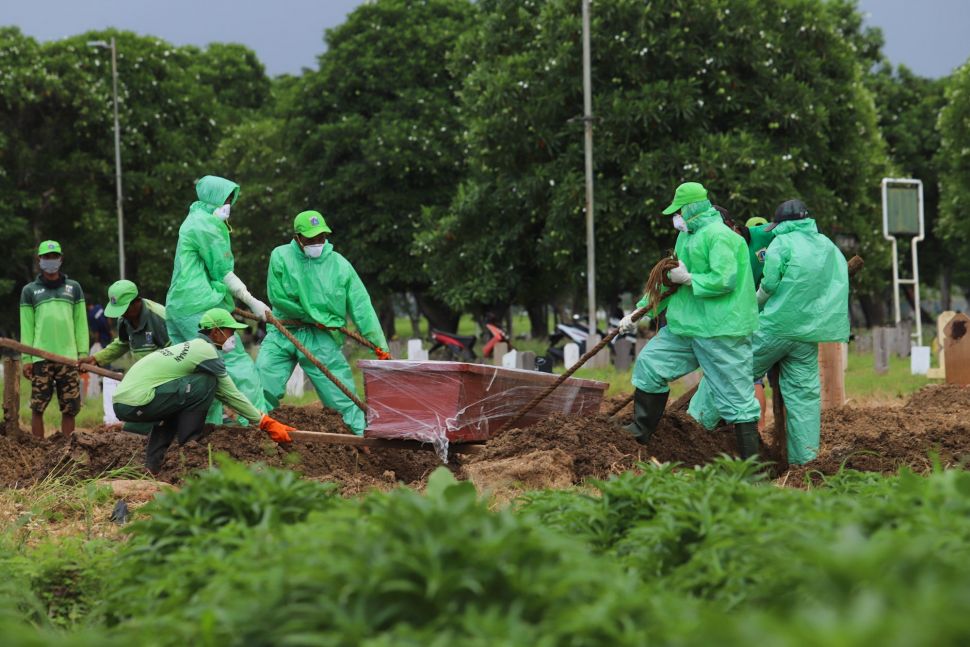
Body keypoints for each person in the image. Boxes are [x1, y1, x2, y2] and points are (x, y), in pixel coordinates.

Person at [618, 182, 762, 458]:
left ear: (693, 208)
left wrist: (689, 278)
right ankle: (639, 434)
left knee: (738, 400)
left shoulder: (721, 236)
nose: (677, 218)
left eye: (680, 211)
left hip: (722, 330)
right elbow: (669, 281)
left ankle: (751, 468)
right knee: (651, 364)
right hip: (686, 326)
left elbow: (725, 280)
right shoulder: (685, 237)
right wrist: (638, 313)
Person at [113, 308, 295, 473]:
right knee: (206, 382)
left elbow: (224, 394)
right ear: (216, 332)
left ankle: (152, 466)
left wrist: (263, 420)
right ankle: (190, 448)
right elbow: (231, 394)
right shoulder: (206, 351)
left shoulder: (194, 348)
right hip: (138, 400)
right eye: (231, 332)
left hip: (127, 402)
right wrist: (265, 422)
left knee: (174, 409)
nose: (234, 337)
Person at [256, 211, 388, 436]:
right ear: (298, 237)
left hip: (320, 338)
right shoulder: (280, 256)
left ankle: (362, 440)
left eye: (321, 238)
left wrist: (379, 344)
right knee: (261, 384)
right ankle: (248, 433)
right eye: (310, 239)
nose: (317, 243)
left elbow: (361, 306)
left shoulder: (340, 265)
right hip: (283, 332)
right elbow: (278, 297)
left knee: (341, 397)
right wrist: (316, 318)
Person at [750, 200, 848, 463]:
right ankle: (805, 464)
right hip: (807, 335)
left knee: (730, 371)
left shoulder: (782, 243)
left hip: (774, 327)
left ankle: (696, 428)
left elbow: (769, 283)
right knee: (804, 399)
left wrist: (754, 303)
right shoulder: (827, 245)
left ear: (783, 224)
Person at [165, 175, 268, 422]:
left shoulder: (193, 219)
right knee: (235, 364)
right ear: (213, 198)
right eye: (226, 199)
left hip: (178, 308)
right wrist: (251, 300)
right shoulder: (205, 225)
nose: (229, 205)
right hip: (200, 307)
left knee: (197, 369)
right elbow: (222, 271)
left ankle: (203, 430)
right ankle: (257, 424)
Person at [688, 208, 776, 432]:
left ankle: (756, 429)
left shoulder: (764, 234)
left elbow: (795, 227)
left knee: (746, 375)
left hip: (768, 313)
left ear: (732, 225)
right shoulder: (715, 248)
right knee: (737, 374)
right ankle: (715, 427)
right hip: (738, 317)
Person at [19, 240, 89, 437]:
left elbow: (80, 323)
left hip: (68, 357)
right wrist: (27, 358)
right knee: (37, 406)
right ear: (39, 260)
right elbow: (27, 327)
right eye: (46, 257)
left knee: (70, 407)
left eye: (54, 257)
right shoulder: (30, 291)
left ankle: (67, 449)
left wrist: (83, 353)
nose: (50, 261)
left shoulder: (73, 288)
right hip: (40, 356)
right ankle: (38, 449)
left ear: (61, 259)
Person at [81, 279, 170, 368]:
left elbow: (175, 353)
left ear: (137, 302)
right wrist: (96, 358)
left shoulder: (159, 318)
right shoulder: (124, 319)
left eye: (124, 310)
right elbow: (123, 343)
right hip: (142, 373)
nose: (122, 314)